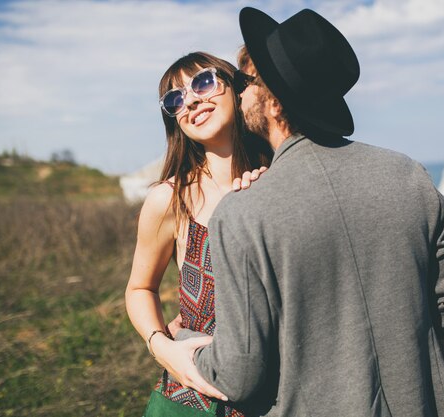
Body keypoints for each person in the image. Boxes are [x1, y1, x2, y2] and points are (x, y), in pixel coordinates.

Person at [165, 8, 444, 417]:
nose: (239, 93)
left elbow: (238, 375)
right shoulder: (410, 175)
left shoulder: (242, 213)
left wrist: (183, 345)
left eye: (247, 82)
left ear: (273, 103)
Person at [125, 51, 272, 416]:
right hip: (191, 399)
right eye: (175, 100)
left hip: (278, 398)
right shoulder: (168, 199)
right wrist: (161, 346)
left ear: (236, 90)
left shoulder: (279, 182)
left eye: (203, 82)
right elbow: (139, 288)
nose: (190, 100)